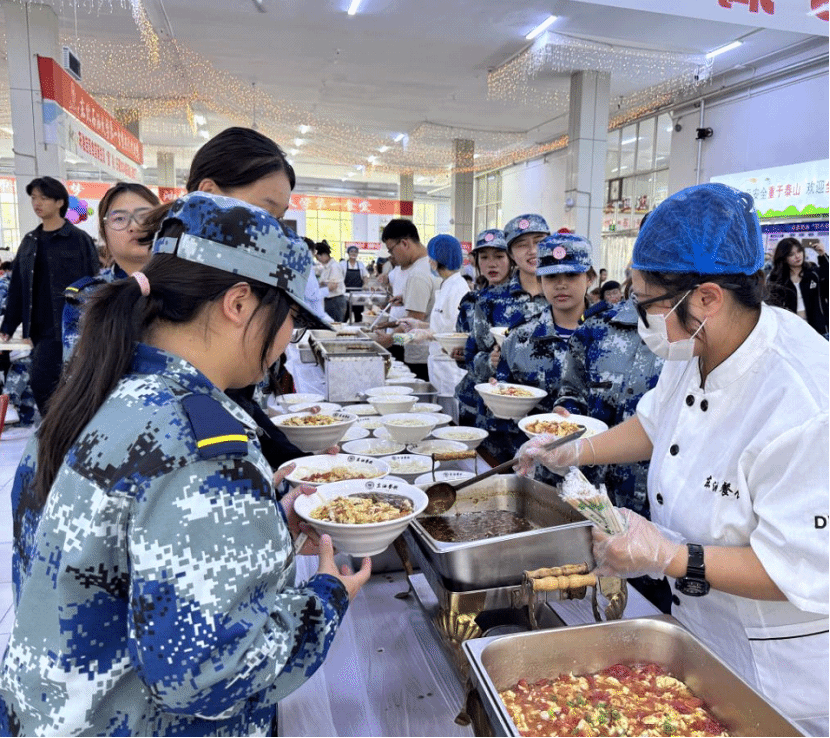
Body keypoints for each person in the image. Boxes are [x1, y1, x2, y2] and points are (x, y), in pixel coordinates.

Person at [0, 191, 371, 736]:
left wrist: (265, 523)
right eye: (289, 315)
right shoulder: (200, 444)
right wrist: (326, 599)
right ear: (238, 303)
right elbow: (209, 676)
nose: (287, 336)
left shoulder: (97, 390)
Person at [518, 183, 828, 736]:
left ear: (706, 297)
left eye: (646, 303)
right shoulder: (697, 343)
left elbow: (798, 567)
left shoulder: (804, 401)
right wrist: (574, 449)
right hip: (699, 635)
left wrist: (668, 555)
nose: (639, 318)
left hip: (779, 673)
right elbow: (656, 425)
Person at [555, 291, 668, 611]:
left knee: (657, 606)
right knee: (590, 602)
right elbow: (572, 390)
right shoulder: (596, 330)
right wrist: (565, 417)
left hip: (660, 507)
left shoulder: (689, 337)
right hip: (597, 499)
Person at [0, 176, 98, 414]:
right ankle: (56, 426)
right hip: (40, 329)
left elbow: (94, 282)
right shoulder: (29, 241)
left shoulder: (78, 239)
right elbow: (18, 286)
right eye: (34, 198)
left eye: (44, 198)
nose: (37, 203)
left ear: (59, 202)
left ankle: (63, 426)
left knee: (60, 382)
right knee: (44, 383)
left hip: (71, 323)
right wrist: (8, 326)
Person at [493, 233, 595, 457]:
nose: (561, 284)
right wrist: (497, 390)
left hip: (596, 459)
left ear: (589, 278)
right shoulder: (519, 338)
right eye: (551, 277)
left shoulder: (610, 337)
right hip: (535, 457)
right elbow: (504, 394)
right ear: (540, 282)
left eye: (571, 275)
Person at [468, 214, 550, 461]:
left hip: (548, 420)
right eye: (522, 244)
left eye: (539, 242)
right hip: (499, 423)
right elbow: (471, 356)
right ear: (512, 254)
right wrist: (489, 362)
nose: (532, 250)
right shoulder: (490, 300)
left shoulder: (562, 294)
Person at [62, 182, 161, 361]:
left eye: (145, 216)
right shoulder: (87, 296)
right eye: (119, 219)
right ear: (104, 234)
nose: (135, 226)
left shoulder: (189, 283)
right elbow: (78, 368)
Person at [396, 234, 469, 408]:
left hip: (450, 370)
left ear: (437, 260)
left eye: (431, 258)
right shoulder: (446, 284)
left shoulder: (458, 289)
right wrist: (420, 325)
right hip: (439, 368)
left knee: (451, 416)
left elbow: (456, 334)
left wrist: (426, 335)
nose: (429, 262)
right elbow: (444, 323)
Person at [454, 228, 513, 426]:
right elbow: (465, 359)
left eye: (499, 256)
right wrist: (459, 354)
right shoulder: (471, 302)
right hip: (472, 401)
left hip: (509, 404)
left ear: (511, 258)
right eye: (484, 257)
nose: (491, 263)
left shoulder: (527, 302)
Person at [373, 219, 440, 381]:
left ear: (404, 243)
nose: (392, 256)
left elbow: (413, 321)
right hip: (433, 351)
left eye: (391, 250)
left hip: (420, 353)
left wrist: (389, 339)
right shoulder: (433, 264)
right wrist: (406, 299)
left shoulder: (418, 273)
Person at [767, 237, 828, 335]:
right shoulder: (776, 279)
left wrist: (822, 255)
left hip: (818, 329)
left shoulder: (813, 273)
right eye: (791, 254)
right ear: (783, 258)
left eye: (799, 251)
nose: (797, 256)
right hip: (790, 331)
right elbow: (772, 307)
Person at [316, 242, 347, 322]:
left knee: (335, 325)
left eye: (318, 257)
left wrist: (317, 292)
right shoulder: (326, 267)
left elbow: (333, 285)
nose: (317, 260)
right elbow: (324, 283)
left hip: (336, 301)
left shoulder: (334, 266)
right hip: (329, 300)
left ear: (324, 255)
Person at [342, 244, 369, 322]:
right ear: (348, 253)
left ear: (357, 254)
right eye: (351, 251)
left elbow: (365, 276)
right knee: (344, 317)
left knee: (358, 317)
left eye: (355, 252)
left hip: (358, 294)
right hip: (346, 294)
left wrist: (365, 284)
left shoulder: (360, 265)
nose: (353, 253)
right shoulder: (343, 264)